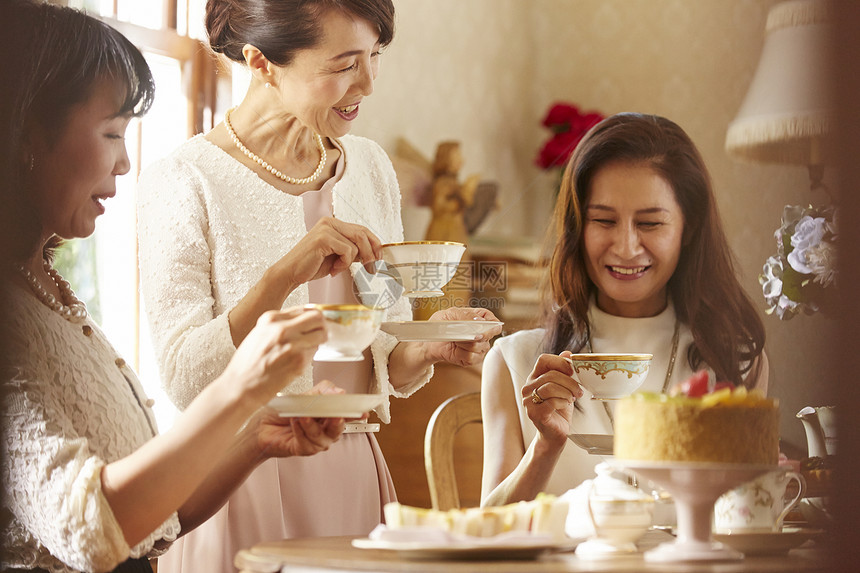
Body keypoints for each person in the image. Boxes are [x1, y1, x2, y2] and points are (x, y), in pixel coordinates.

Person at [135, 0, 501, 569]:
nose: (369, 84)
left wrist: (425, 347)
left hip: (352, 467)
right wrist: (283, 275)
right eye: (343, 64)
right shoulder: (183, 181)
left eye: (375, 55)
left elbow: (380, 355)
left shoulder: (371, 169)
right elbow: (187, 378)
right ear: (260, 62)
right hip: (234, 480)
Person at [0, 2, 347, 572]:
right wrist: (238, 384)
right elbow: (92, 530)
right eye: (111, 132)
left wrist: (260, 438)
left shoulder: (50, 295)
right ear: (26, 133)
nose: (124, 162)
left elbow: (153, 519)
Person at [480, 113, 769, 506]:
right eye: (603, 220)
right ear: (577, 227)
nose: (626, 247)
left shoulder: (735, 358)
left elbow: (750, 517)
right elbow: (488, 534)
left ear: (690, 228)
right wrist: (546, 447)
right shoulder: (513, 361)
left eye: (650, 224)